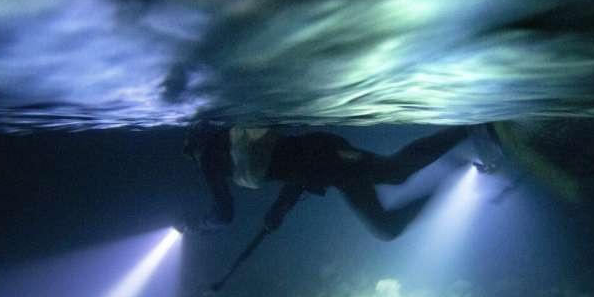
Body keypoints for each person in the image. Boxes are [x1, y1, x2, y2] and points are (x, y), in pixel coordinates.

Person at [182, 122, 469, 239]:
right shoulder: (229, 140)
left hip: (328, 156)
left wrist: (192, 226)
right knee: (388, 217)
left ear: (195, 148)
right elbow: (291, 167)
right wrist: (278, 211)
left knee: (394, 175)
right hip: (326, 163)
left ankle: (465, 134)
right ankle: (456, 161)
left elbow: (223, 215)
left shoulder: (209, 156)